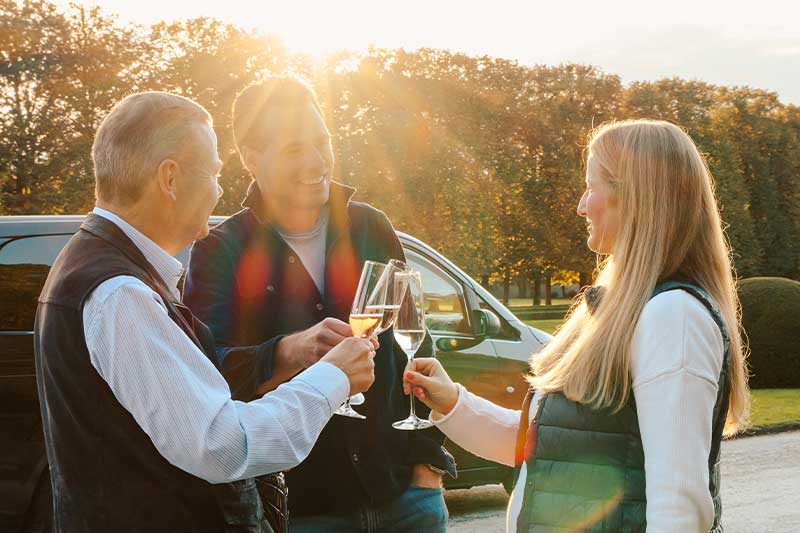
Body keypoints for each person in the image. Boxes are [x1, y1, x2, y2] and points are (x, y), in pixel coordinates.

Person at [34, 91, 376, 533]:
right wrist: (332, 377)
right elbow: (222, 446)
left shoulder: (99, 268)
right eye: (214, 173)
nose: (219, 189)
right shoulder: (120, 293)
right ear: (170, 179)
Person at [403, 119, 750, 532]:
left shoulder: (672, 316)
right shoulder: (625, 309)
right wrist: (452, 403)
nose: (582, 206)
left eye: (592, 187)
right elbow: (544, 447)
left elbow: (678, 505)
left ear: (634, 196)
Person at [184, 76, 455, 532]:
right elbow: (206, 376)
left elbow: (415, 345)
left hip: (404, 498)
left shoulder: (372, 226)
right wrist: (288, 351)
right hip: (302, 508)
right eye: (293, 149)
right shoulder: (219, 249)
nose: (316, 161)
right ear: (252, 159)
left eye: (322, 141)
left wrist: (428, 468)